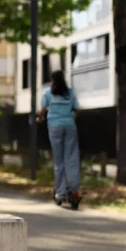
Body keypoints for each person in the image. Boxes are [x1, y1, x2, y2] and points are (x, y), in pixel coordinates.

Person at [38, 69, 81, 209]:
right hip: (69, 126)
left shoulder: (47, 93)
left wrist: (39, 119)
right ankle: (73, 190)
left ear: (52, 79)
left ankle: (61, 192)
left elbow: (43, 111)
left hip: (54, 127)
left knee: (59, 160)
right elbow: (78, 109)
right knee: (72, 159)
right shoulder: (70, 92)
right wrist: (71, 118)